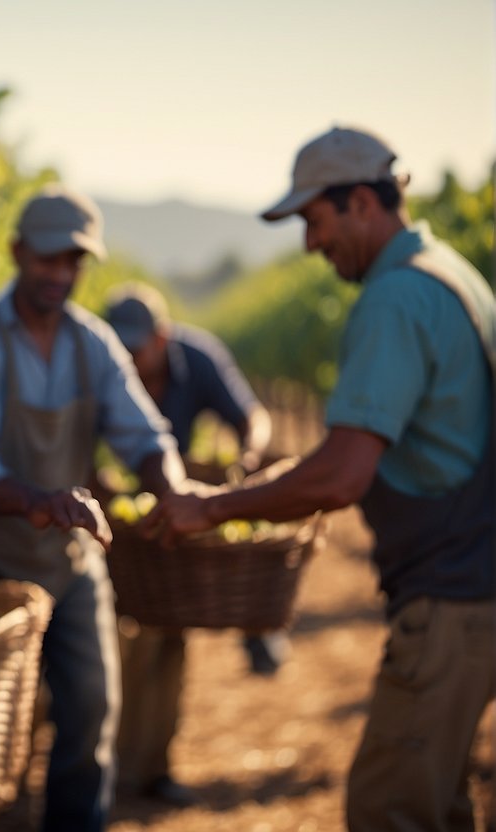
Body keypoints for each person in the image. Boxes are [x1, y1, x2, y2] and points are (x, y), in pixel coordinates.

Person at [143, 125, 496, 831]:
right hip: (476, 585)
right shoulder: (452, 274)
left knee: (387, 811)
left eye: (313, 219)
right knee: (440, 806)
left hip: (452, 598)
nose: (308, 243)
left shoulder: (395, 297)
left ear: (360, 201)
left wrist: (208, 508)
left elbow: (339, 475)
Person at [0, 184, 186, 831]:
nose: (59, 274)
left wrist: (173, 489)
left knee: (92, 706)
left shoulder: (91, 344)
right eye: (47, 259)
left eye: (72, 262)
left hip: (66, 560)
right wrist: (40, 500)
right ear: (18, 253)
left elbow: (142, 434)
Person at [105, 281, 279, 808]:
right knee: (120, 642)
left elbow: (252, 416)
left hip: (177, 513)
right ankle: (114, 769)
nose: (131, 361)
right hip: (120, 520)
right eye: (122, 350)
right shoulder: (101, 364)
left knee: (170, 637)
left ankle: (154, 767)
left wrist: (248, 462)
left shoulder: (199, 358)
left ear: (162, 337)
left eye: (138, 348)